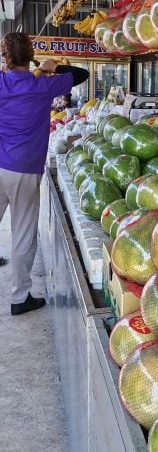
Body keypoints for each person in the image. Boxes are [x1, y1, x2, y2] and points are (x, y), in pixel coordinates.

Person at [0, 32, 89, 315]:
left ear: (5, 56)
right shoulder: (42, 85)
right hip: (25, 169)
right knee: (23, 233)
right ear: (30, 56)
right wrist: (53, 67)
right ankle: (19, 298)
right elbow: (81, 74)